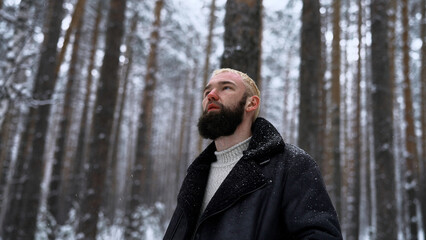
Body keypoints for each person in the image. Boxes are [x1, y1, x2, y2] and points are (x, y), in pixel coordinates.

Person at [163, 68, 343, 240]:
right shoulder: (196, 173)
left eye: (226, 87)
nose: (211, 95)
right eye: (206, 92)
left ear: (251, 103)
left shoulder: (291, 164)